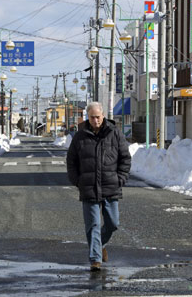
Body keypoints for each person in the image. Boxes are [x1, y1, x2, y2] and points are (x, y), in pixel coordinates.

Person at [66, 101, 131, 271]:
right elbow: (71, 161)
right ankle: (95, 258)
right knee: (93, 225)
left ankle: (100, 245)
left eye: (98, 117)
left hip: (111, 185)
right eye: (92, 117)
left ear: (103, 116)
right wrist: (77, 180)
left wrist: (120, 179)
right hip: (88, 187)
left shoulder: (114, 133)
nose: (95, 120)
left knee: (113, 223)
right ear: (88, 117)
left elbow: (125, 158)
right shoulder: (80, 136)